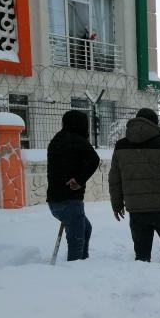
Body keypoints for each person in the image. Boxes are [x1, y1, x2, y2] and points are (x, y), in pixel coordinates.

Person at [109, 108, 160, 264]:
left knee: (141, 256)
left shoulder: (121, 147)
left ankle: (145, 286)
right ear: (155, 124)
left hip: (137, 211)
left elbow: (115, 178)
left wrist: (117, 204)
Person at [47, 110, 101, 261]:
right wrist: (79, 180)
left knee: (85, 229)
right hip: (70, 200)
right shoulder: (77, 140)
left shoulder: (56, 140)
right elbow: (94, 159)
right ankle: (75, 270)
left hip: (54, 201)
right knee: (76, 241)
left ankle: (82, 262)